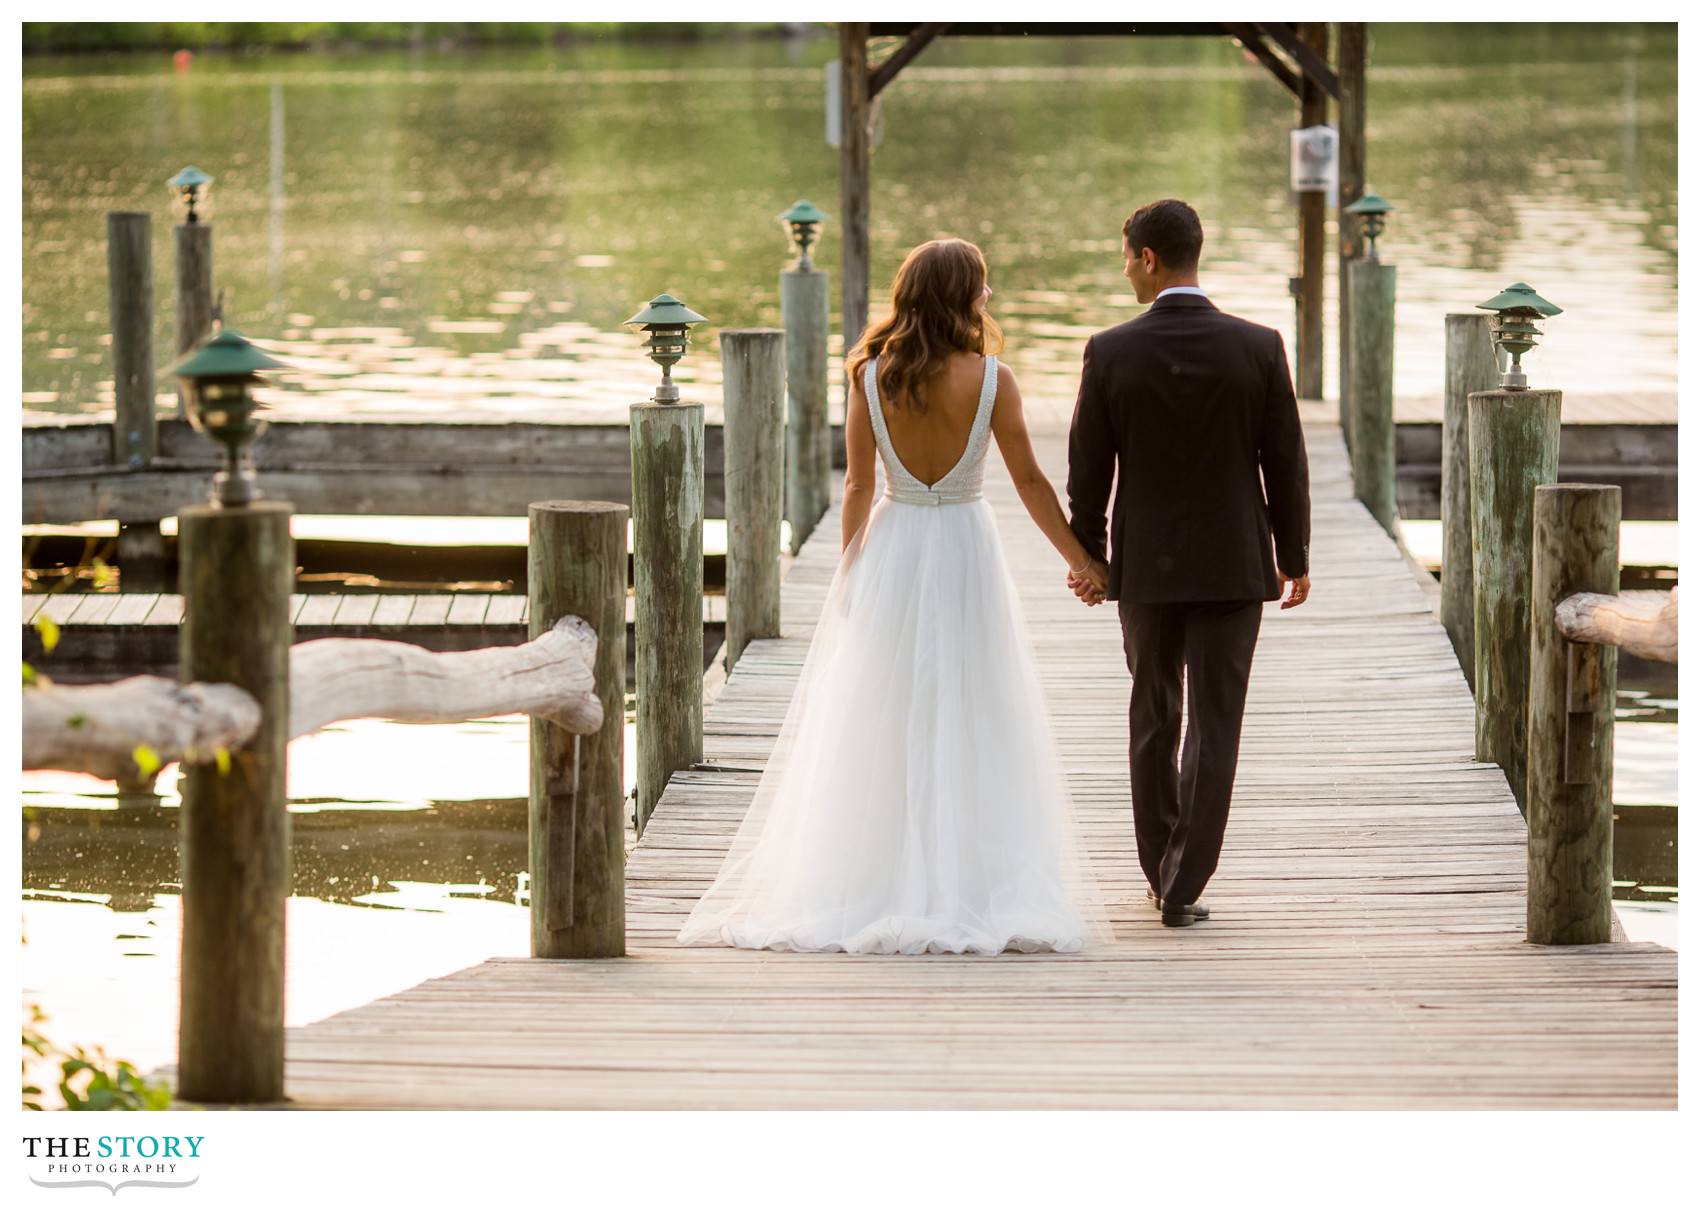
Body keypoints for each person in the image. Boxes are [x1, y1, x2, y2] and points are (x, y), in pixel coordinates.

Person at [678, 238, 1111, 955]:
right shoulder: (994, 380)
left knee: (887, 713)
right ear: (959, 296)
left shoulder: (870, 376)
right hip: (967, 550)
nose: (991, 298)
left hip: (896, 549)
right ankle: (966, 879)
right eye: (983, 286)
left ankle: (880, 877)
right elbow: (1033, 484)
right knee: (975, 706)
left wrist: (851, 575)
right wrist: (1085, 563)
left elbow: (854, 486)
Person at [1066, 198, 1312, 927]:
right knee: (1215, 720)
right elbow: (1285, 464)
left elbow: (1089, 473)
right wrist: (1293, 555)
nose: (1126, 271)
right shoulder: (1259, 346)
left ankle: (1158, 865)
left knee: (1152, 711)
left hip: (1145, 567)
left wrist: (1092, 559)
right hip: (1236, 563)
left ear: (1147, 258)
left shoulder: (1110, 351)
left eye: (1126, 257)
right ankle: (1183, 882)